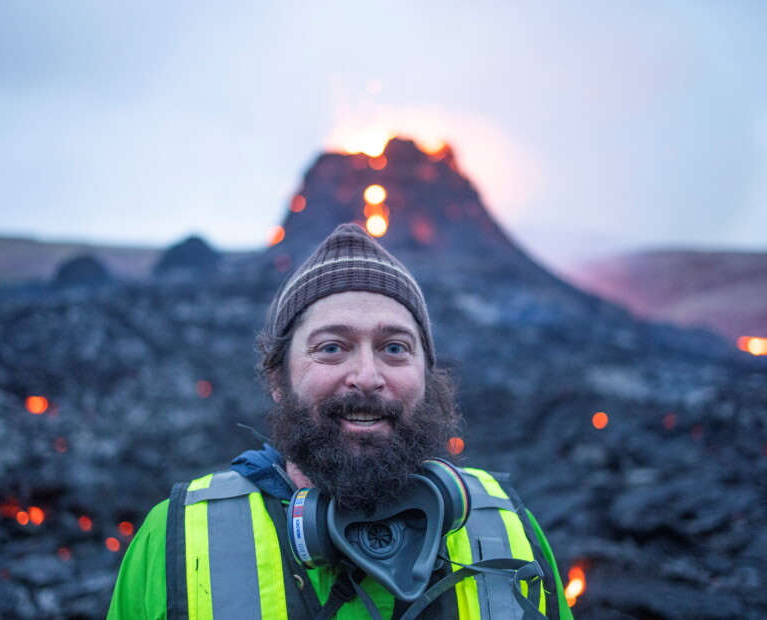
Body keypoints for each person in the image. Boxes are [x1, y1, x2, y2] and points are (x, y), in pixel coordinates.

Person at [108, 223, 575, 619]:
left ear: (427, 377)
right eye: (332, 347)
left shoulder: (510, 530)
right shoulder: (174, 538)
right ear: (278, 378)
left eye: (395, 348)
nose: (368, 377)